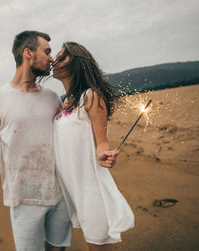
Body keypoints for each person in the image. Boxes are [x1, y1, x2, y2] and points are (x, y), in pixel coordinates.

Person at [0, 31, 72, 251]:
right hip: (24, 198)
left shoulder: (52, 97)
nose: (51, 58)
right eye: (46, 51)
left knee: (58, 248)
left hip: (60, 193)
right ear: (28, 53)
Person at [52, 42, 134, 251]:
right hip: (73, 189)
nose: (54, 61)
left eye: (61, 58)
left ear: (76, 63)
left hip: (91, 188)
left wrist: (104, 155)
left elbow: (102, 142)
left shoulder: (91, 96)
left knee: (97, 246)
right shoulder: (65, 102)